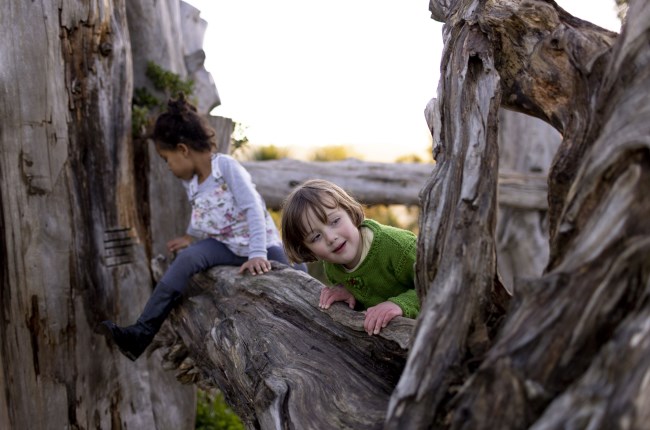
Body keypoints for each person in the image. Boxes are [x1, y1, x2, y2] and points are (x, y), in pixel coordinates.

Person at [99, 94, 302, 361]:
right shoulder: (192, 181)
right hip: (226, 246)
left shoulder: (225, 167)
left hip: (261, 245)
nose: (169, 167)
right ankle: (141, 332)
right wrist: (189, 237)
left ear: (183, 150)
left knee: (297, 272)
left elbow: (253, 208)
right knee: (186, 259)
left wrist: (257, 253)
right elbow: (202, 213)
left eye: (167, 158)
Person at [281, 179, 419, 335]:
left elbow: (439, 285)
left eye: (335, 221)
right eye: (316, 237)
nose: (331, 238)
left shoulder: (397, 247)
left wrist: (399, 305)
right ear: (306, 249)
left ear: (350, 212)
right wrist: (351, 294)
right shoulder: (333, 266)